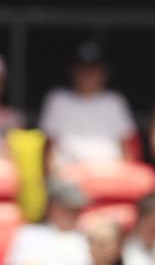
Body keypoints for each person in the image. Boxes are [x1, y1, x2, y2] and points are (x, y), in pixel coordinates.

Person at [38, 41, 139, 171]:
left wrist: (128, 172)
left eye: (94, 69)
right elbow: (47, 146)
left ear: (105, 73)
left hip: (110, 171)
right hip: (69, 171)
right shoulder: (58, 99)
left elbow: (129, 145)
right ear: (73, 71)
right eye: (83, 69)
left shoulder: (114, 101)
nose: (88, 74)